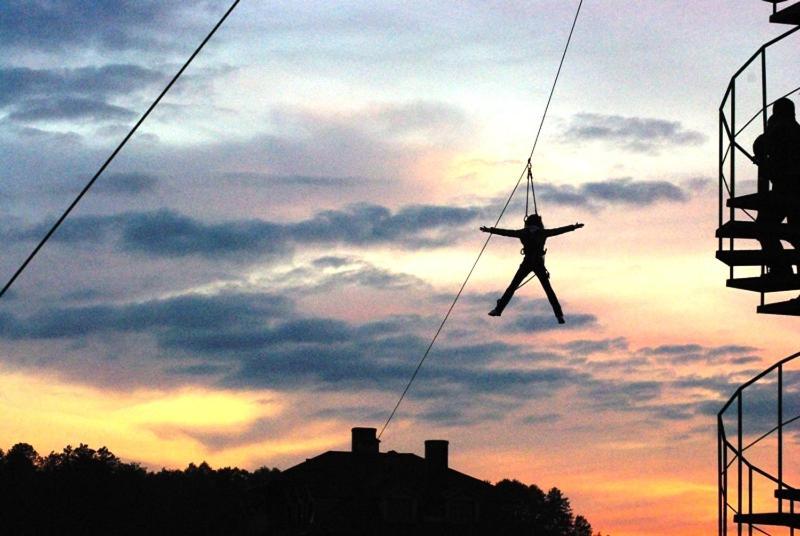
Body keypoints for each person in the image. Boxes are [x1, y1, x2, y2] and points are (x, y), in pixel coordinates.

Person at [480, 214, 583, 323]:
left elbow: (506, 232)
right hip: (538, 263)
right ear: (539, 224)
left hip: (528, 262)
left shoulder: (523, 232)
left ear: (527, 223)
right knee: (548, 290)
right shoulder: (542, 232)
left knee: (512, 286)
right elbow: (558, 231)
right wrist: (573, 227)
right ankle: (559, 315)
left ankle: (498, 310)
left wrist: (489, 230)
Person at [753, 97, 800, 276]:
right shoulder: (796, 129)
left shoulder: (780, 128)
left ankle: (781, 268)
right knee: (796, 235)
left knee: (763, 228)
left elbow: (760, 145)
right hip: (794, 192)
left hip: (784, 191)